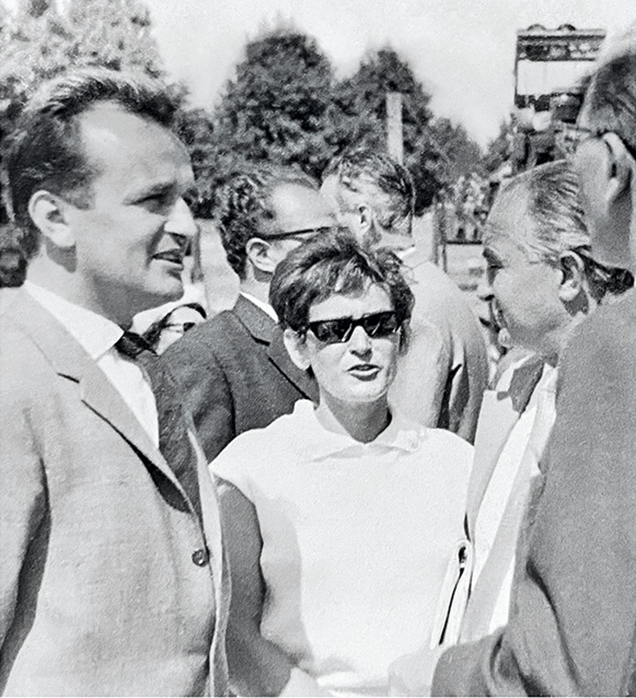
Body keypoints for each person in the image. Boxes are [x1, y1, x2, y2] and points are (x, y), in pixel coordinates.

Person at [0, 68, 229, 695]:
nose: (187, 226)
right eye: (154, 200)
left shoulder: (139, 362)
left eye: (186, 200)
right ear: (55, 218)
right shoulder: (10, 372)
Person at [388, 160, 633, 694]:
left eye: (495, 265)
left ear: (568, 275)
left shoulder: (621, 412)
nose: (482, 290)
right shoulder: (511, 389)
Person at [210, 228, 473, 696]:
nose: (362, 345)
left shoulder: (456, 465)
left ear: (401, 335)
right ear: (298, 346)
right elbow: (236, 634)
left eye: (379, 324)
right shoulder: (250, 469)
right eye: (333, 330)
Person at [164, 165, 333, 461]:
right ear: (262, 254)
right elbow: (198, 480)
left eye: (340, 233)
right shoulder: (204, 357)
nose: (340, 248)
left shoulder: (340, 335)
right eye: (320, 237)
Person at [321, 150, 488, 442]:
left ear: (363, 218)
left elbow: (402, 442)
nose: (321, 238)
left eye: (329, 222)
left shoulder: (410, 306)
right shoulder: (425, 284)